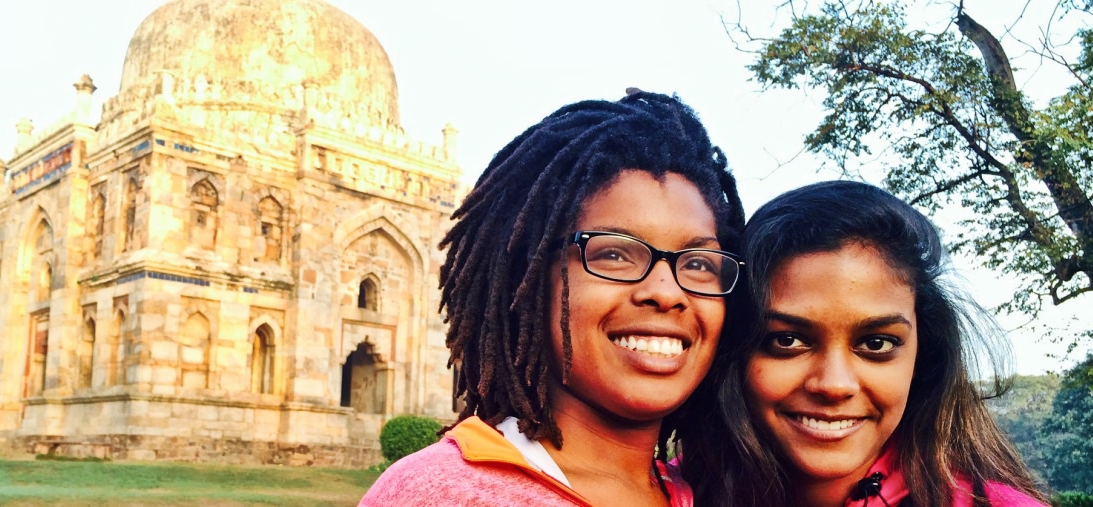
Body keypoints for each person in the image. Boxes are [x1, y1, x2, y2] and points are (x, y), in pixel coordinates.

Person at [359, 90, 746, 507]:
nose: (667, 292)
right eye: (614, 253)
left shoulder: (718, 491)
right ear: (528, 278)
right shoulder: (440, 494)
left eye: (698, 263)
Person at [679, 180, 1048, 507]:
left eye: (876, 344)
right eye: (788, 340)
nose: (835, 385)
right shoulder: (663, 494)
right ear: (734, 353)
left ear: (924, 353)